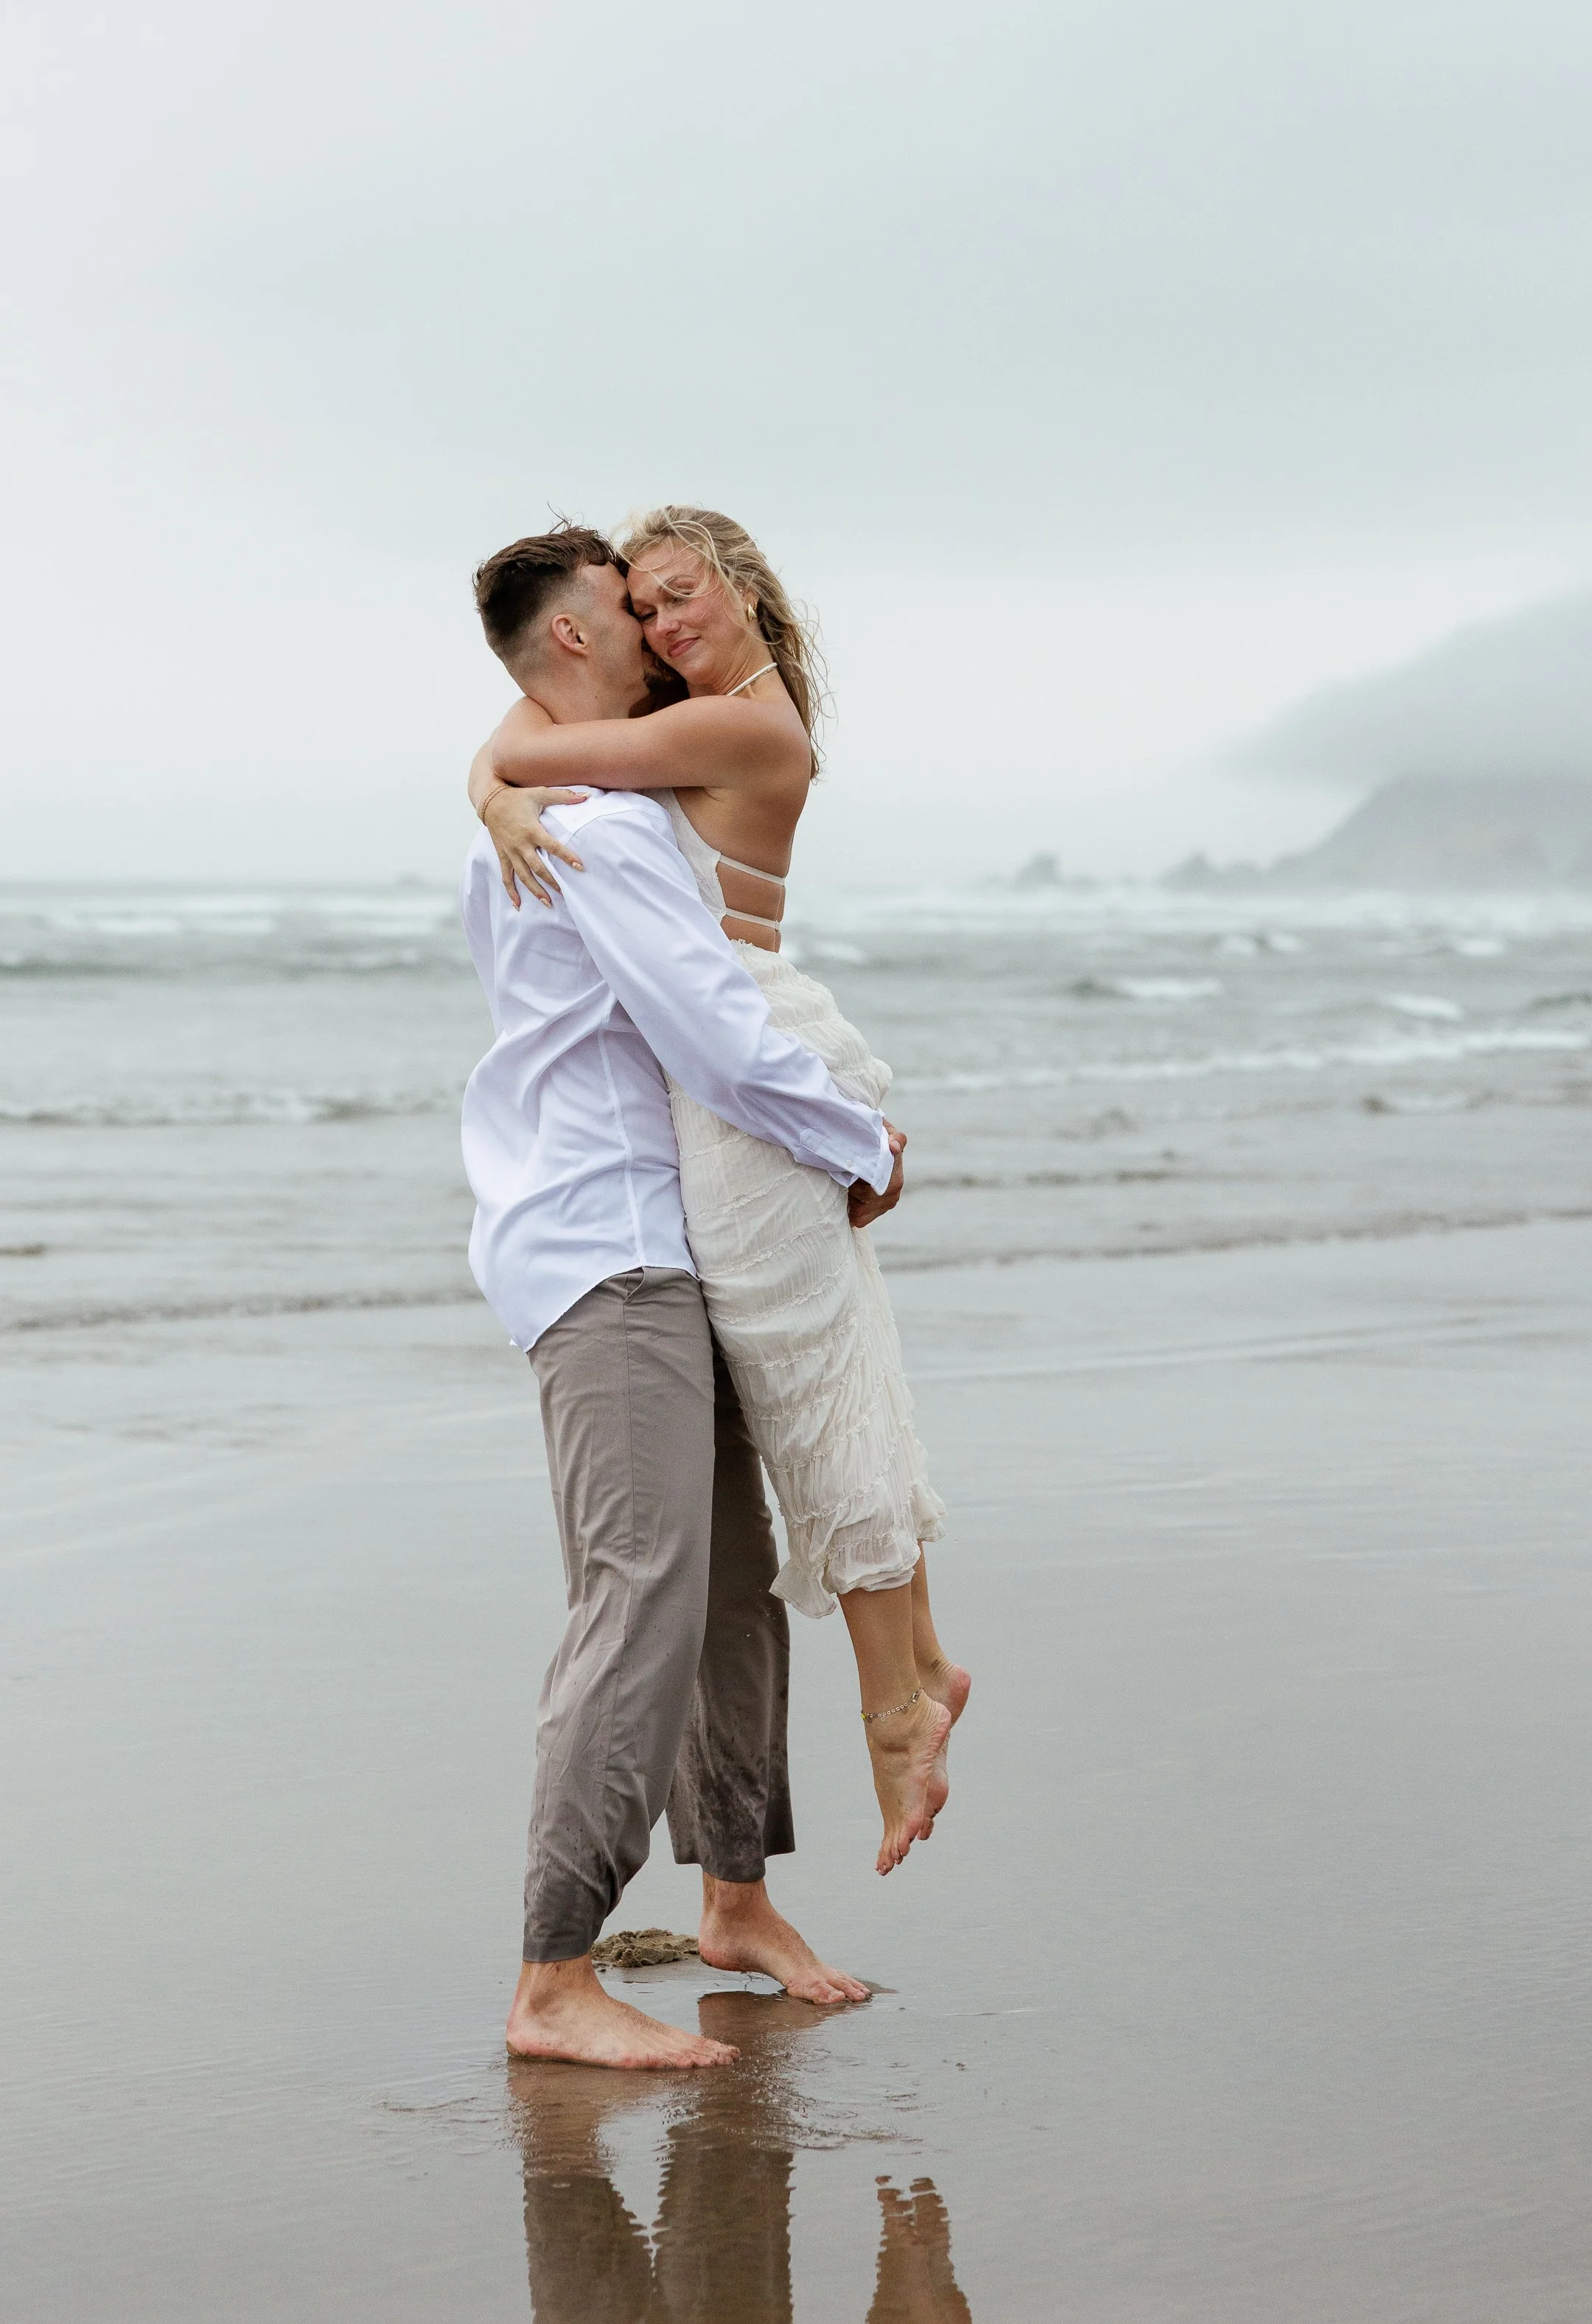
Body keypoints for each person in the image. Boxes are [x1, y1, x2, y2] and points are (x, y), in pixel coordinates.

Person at [460, 524, 904, 2069]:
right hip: (606, 1247)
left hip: (659, 1233)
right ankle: (552, 1972)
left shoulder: (567, 789)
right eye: (626, 611)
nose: (652, 630)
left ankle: (734, 1900)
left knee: (730, 1581)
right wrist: (863, 1135)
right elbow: (710, 1026)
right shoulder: (594, 821)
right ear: (575, 641)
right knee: (642, 1587)